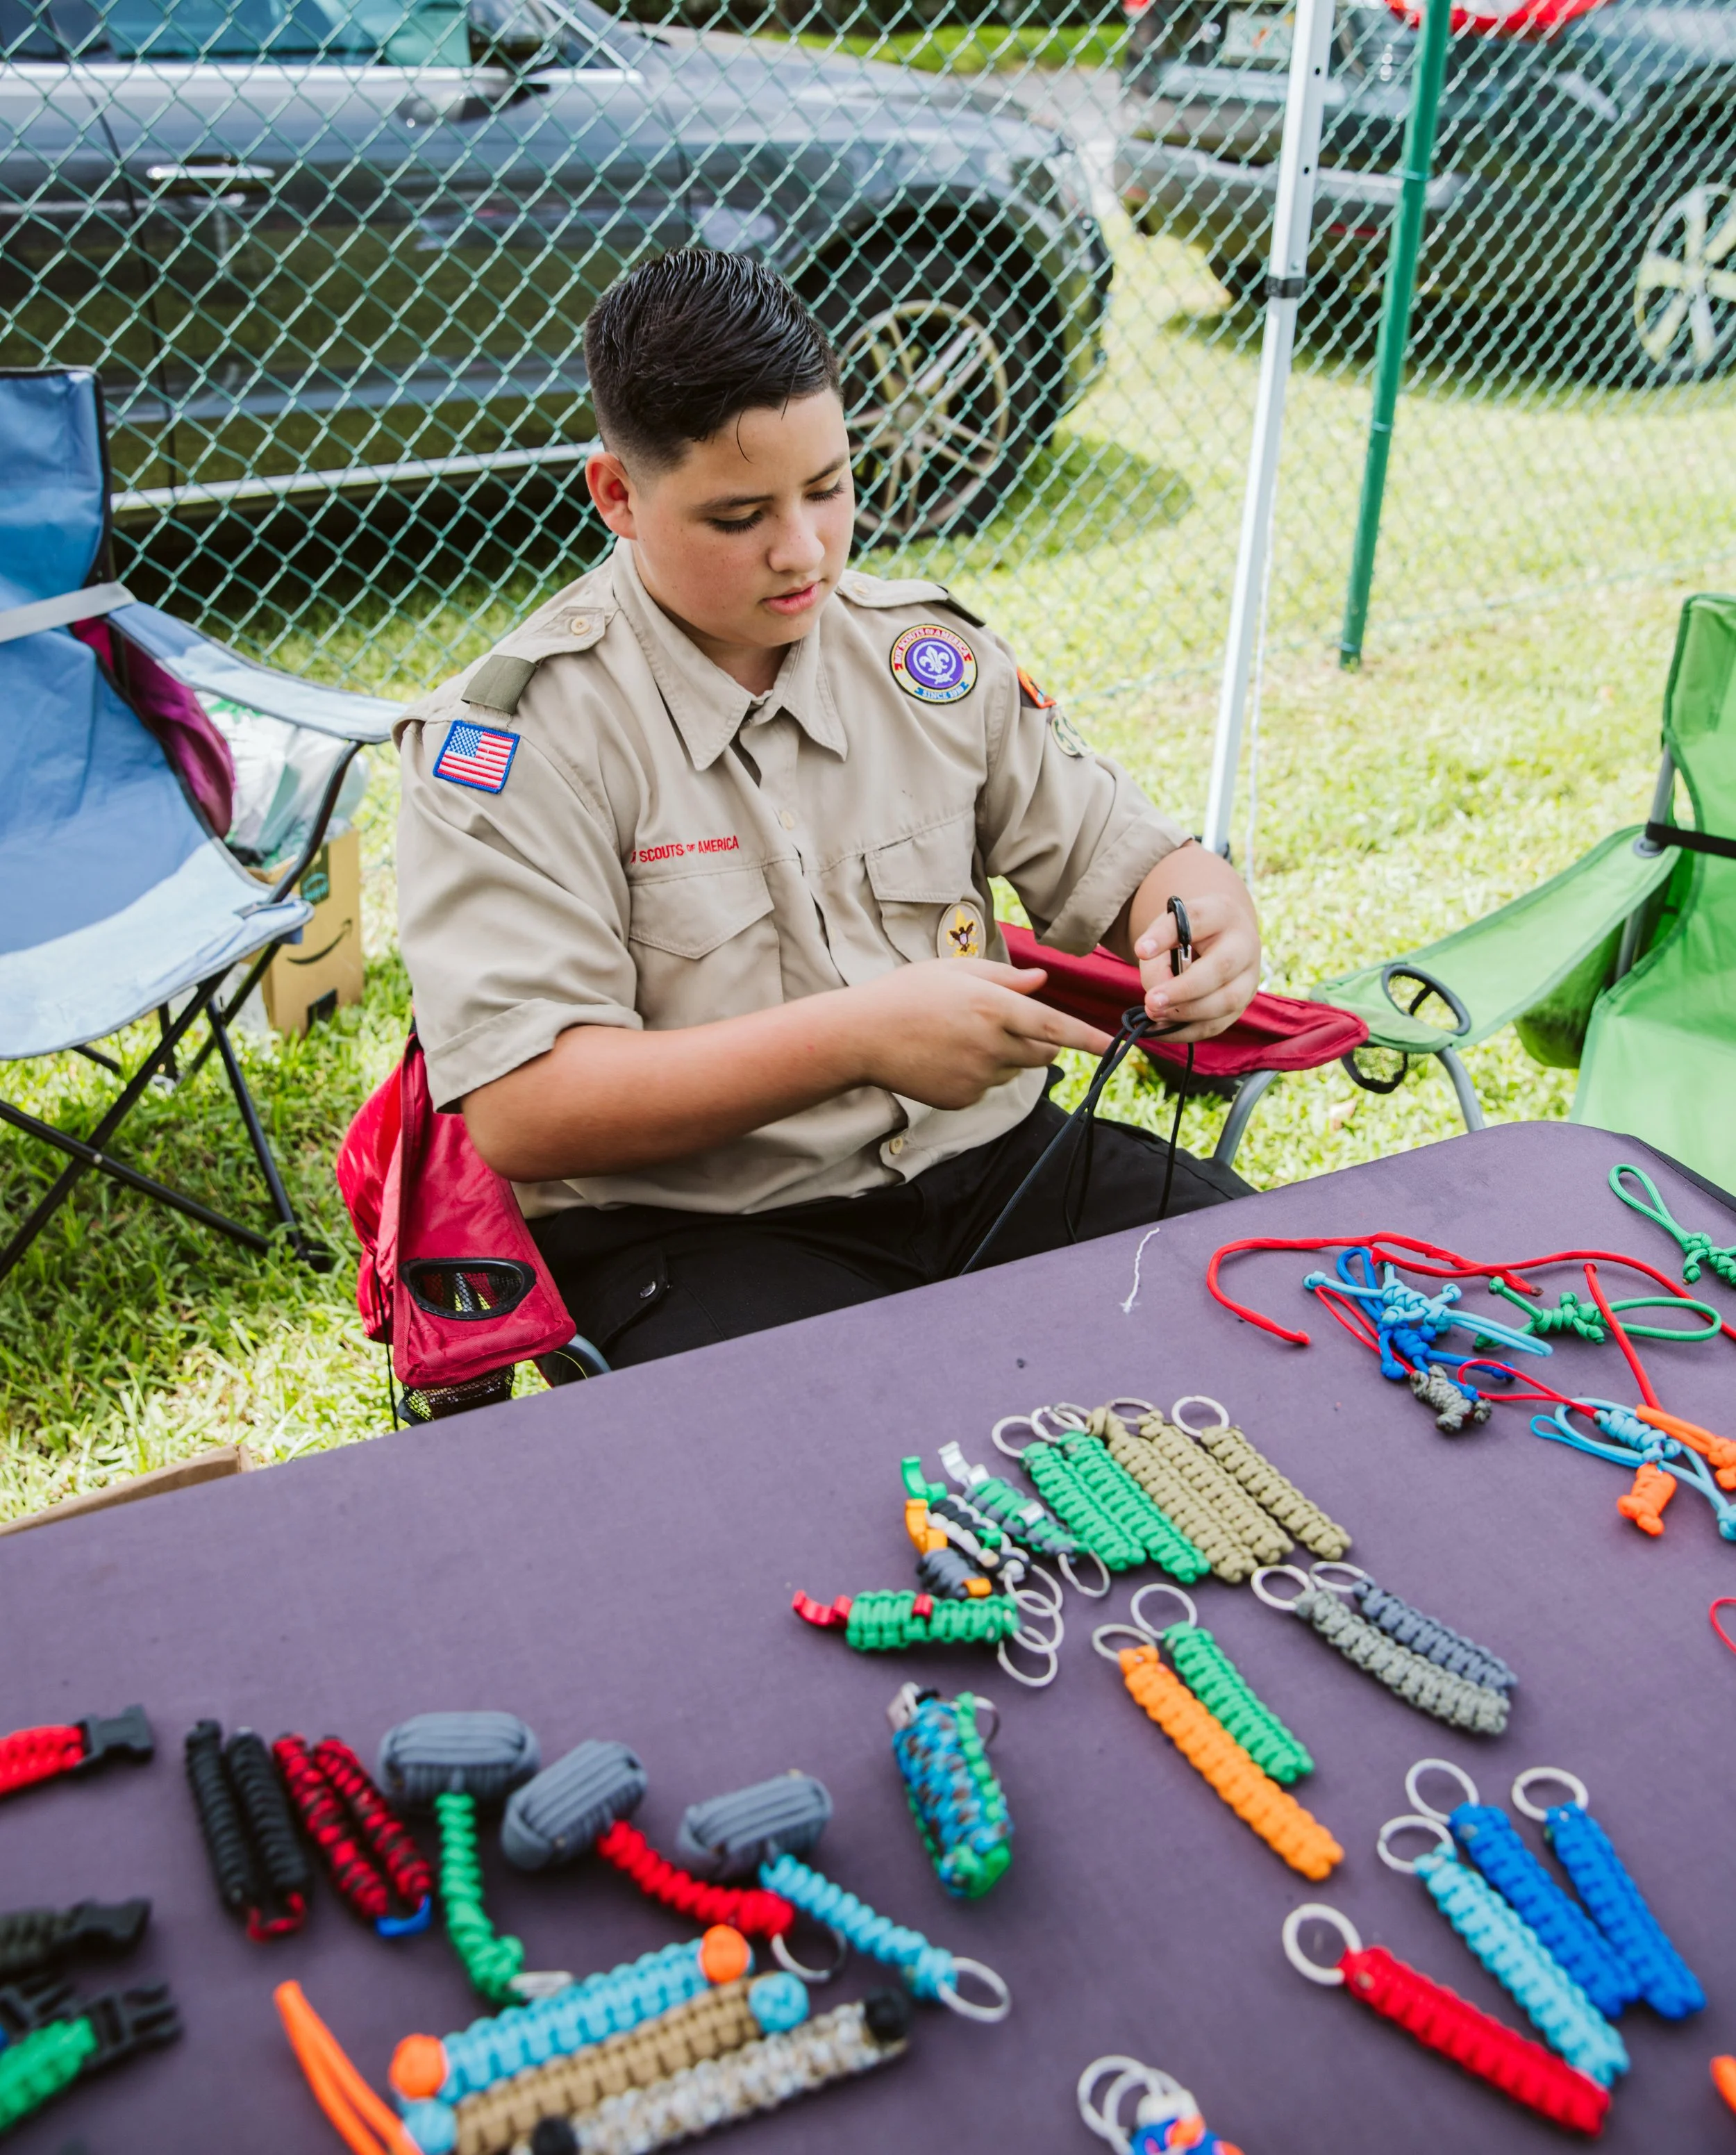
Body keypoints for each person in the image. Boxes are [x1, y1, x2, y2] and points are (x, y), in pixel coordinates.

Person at [394, 249, 1262, 1369]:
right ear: (617, 493)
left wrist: (1203, 915)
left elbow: (1135, 860)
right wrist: (858, 1039)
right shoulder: (516, 743)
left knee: (1279, 1311)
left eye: (831, 486)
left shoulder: (924, 658)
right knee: (846, 1489)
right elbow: (526, 1109)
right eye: (740, 513)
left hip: (1003, 1164)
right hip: (711, 1229)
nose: (804, 549)